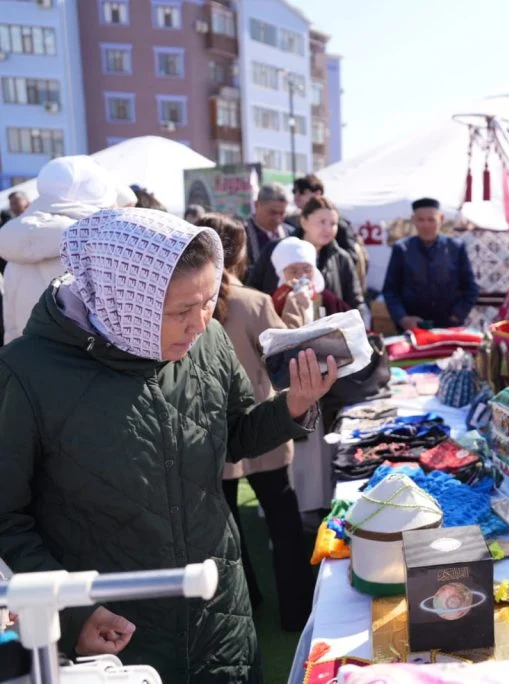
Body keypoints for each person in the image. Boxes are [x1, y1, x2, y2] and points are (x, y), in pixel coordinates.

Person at [0, 207, 338, 682]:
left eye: (208, 302)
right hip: (117, 630)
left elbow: (235, 434)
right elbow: (7, 519)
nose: (200, 324)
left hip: (219, 610)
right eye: (182, 310)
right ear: (124, 300)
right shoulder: (27, 373)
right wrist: (75, 612)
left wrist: (293, 405)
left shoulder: (208, 341)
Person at [198, 213, 316, 633]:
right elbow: (288, 361)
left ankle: (246, 605)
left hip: (209, 432)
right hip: (260, 426)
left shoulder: (188, 303)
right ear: (240, 251)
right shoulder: (254, 302)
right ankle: (296, 612)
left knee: (228, 530)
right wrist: (301, 313)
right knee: (283, 525)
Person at [0, 156, 135, 344]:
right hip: (86, 369)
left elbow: (12, 326)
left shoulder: (14, 242)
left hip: (24, 366)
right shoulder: (96, 244)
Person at [249, 196, 366, 322]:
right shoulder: (276, 250)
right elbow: (253, 291)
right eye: (322, 222)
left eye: (333, 224)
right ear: (304, 222)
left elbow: (356, 304)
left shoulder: (342, 259)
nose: (328, 229)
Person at [382, 197, 479, 331]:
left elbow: (471, 288)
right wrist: (403, 318)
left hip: (449, 326)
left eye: (431, 219)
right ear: (413, 220)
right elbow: (390, 291)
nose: (426, 225)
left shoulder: (456, 248)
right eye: (421, 220)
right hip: (413, 328)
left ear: (441, 219)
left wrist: (457, 315)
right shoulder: (402, 249)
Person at [286, 174, 369, 298]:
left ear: (317, 193)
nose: (297, 196)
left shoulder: (341, 231)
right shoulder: (284, 244)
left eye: (302, 191)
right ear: (304, 222)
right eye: (294, 192)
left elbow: (351, 263)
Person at [269, 236, 345, 322]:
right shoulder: (273, 302)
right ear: (283, 274)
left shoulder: (328, 299)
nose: (302, 275)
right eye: (293, 271)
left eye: (307, 270)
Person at [245, 183, 293, 273]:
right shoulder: (242, 234)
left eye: (282, 213)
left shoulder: (291, 234)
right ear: (256, 205)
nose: (278, 218)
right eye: (272, 213)